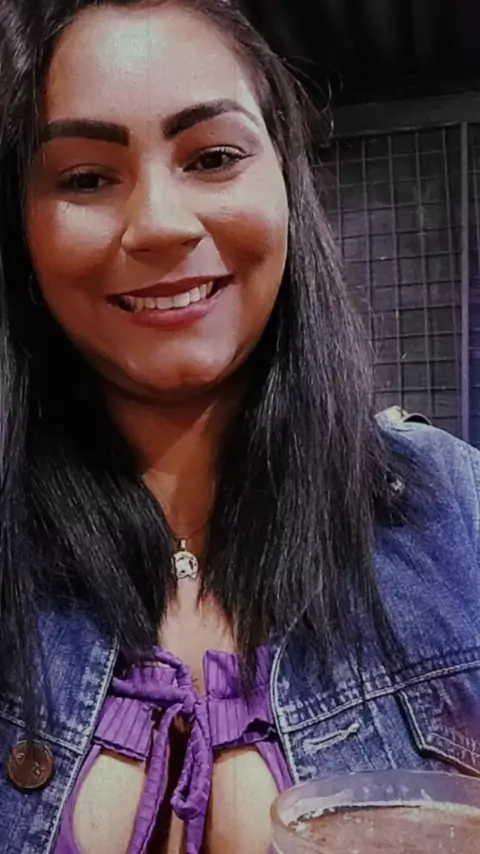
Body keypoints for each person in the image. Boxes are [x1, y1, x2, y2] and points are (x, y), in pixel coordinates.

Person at [0, 1, 479, 852]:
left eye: (214, 157)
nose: (160, 223)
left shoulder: (457, 512)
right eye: (86, 178)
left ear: (287, 188)